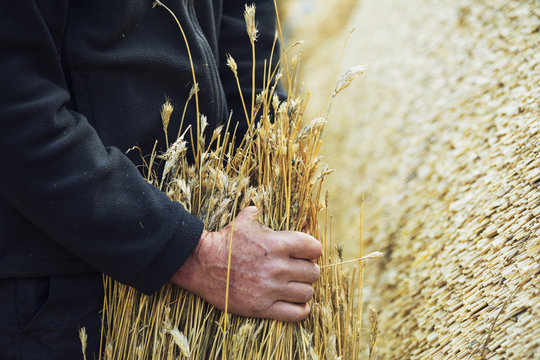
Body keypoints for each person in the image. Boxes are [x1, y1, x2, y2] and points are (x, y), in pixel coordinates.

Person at [0, 1, 322, 359]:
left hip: (211, 251)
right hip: (62, 285)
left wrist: (268, 167)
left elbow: (245, 26)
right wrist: (193, 254)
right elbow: (18, 112)